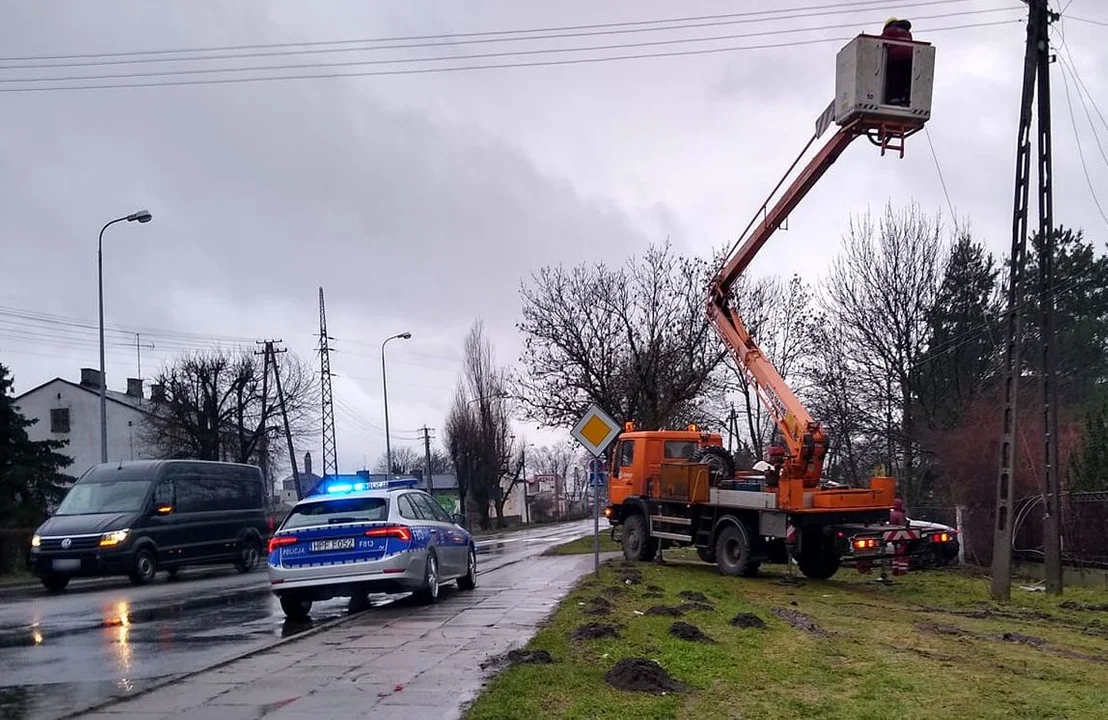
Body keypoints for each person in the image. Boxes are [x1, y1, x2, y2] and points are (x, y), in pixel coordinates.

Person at [881, 17, 913, 106]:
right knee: (906, 80)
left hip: (896, 58)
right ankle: (905, 99)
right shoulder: (907, 33)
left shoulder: (889, 31)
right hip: (909, 59)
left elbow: (878, 42)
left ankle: (894, 100)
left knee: (894, 78)